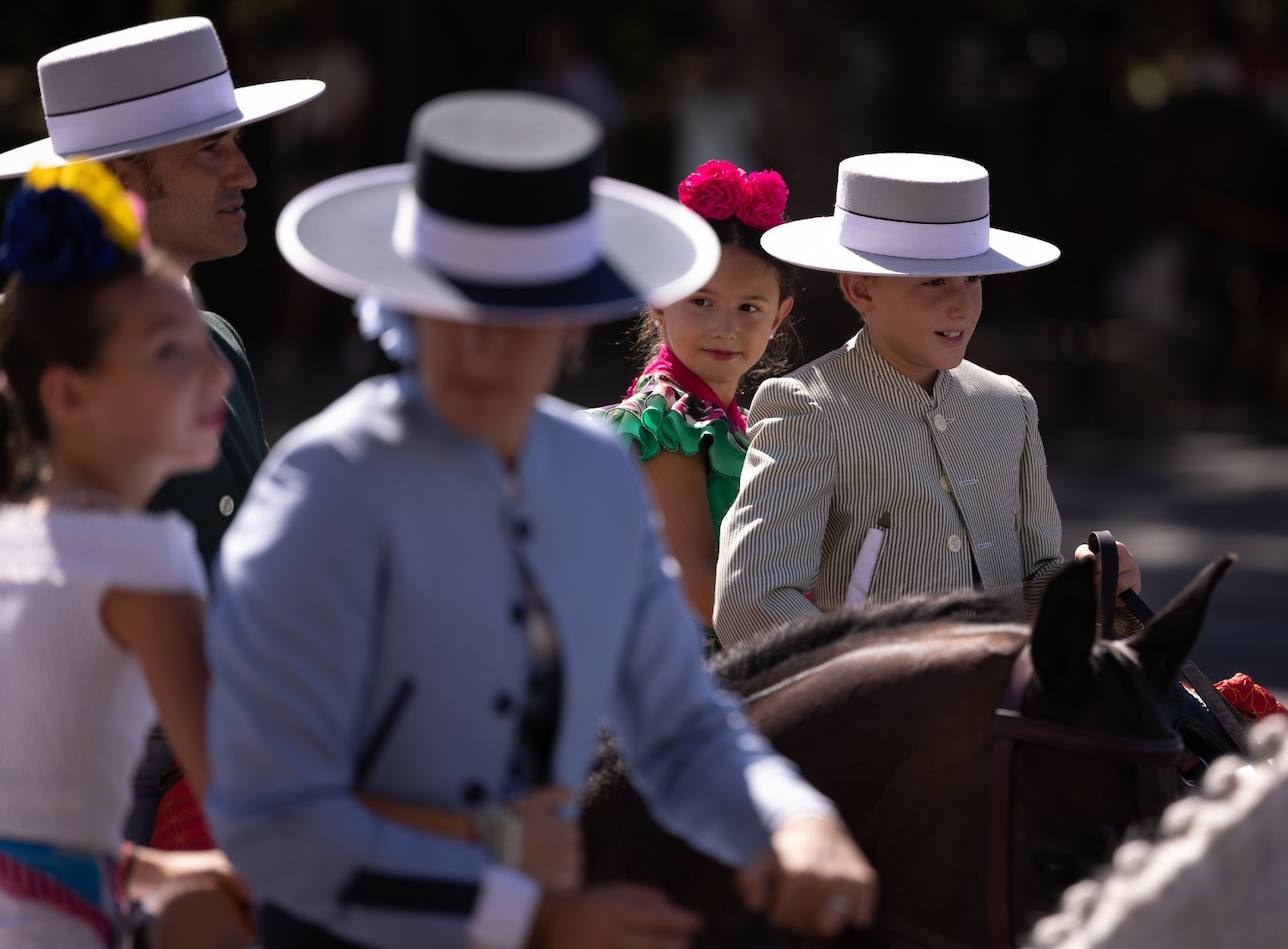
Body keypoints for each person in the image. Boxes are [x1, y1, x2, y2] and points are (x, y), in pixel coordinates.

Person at [206, 90, 878, 949]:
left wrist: (795, 822)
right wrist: (526, 911)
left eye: (521, 313)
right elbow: (271, 817)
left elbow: (677, 724)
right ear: (405, 301)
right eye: (459, 308)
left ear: (570, 315)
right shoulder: (325, 484)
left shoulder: (593, 470)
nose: (488, 345)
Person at [0, 15, 325, 848]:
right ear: (119, 178)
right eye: (210, 150)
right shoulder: (19, 361)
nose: (246, 173)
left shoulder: (218, 342)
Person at [715, 153, 1143, 647]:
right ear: (859, 289)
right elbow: (752, 599)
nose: (961, 303)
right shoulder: (808, 408)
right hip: (881, 716)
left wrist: (1090, 589)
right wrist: (874, 674)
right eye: (934, 281)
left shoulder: (1008, 406)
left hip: (1002, 708)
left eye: (974, 278)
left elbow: (1027, 585)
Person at [0, 162, 247, 948]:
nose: (215, 374)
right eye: (170, 353)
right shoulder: (145, 560)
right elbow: (259, 811)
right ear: (70, 396)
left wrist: (155, 871)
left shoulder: (15, 534)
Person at [588, 159, 796, 636]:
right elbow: (698, 590)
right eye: (701, 301)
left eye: (749, 308)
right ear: (660, 301)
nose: (725, 328)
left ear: (778, 317)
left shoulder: (736, 423)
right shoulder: (665, 422)